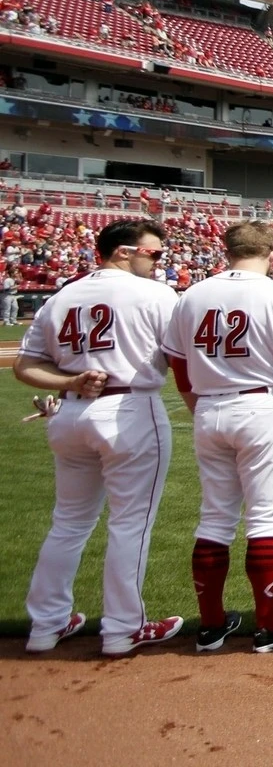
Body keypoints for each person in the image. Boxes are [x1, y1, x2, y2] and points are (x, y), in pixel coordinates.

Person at [15, 219, 184, 657]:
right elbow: (181, 357)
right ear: (124, 252)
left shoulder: (62, 296)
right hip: (130, 407)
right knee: (130, 524)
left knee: (68, 522)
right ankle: (122, 629)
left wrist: (68, 379)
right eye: (154, 253)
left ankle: (46, 625)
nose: (159, 261)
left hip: (70, 412)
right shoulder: (156, 295)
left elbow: (25, 366)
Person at [163, 221, 273, 653]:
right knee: (265, 517)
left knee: (214, 517)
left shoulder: (192, 295)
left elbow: (178, 365)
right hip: (260, 406)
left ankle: (211, 627)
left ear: (226, 248)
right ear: (271, 250)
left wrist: (198, 406)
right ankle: (269, 628)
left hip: (209, 406)